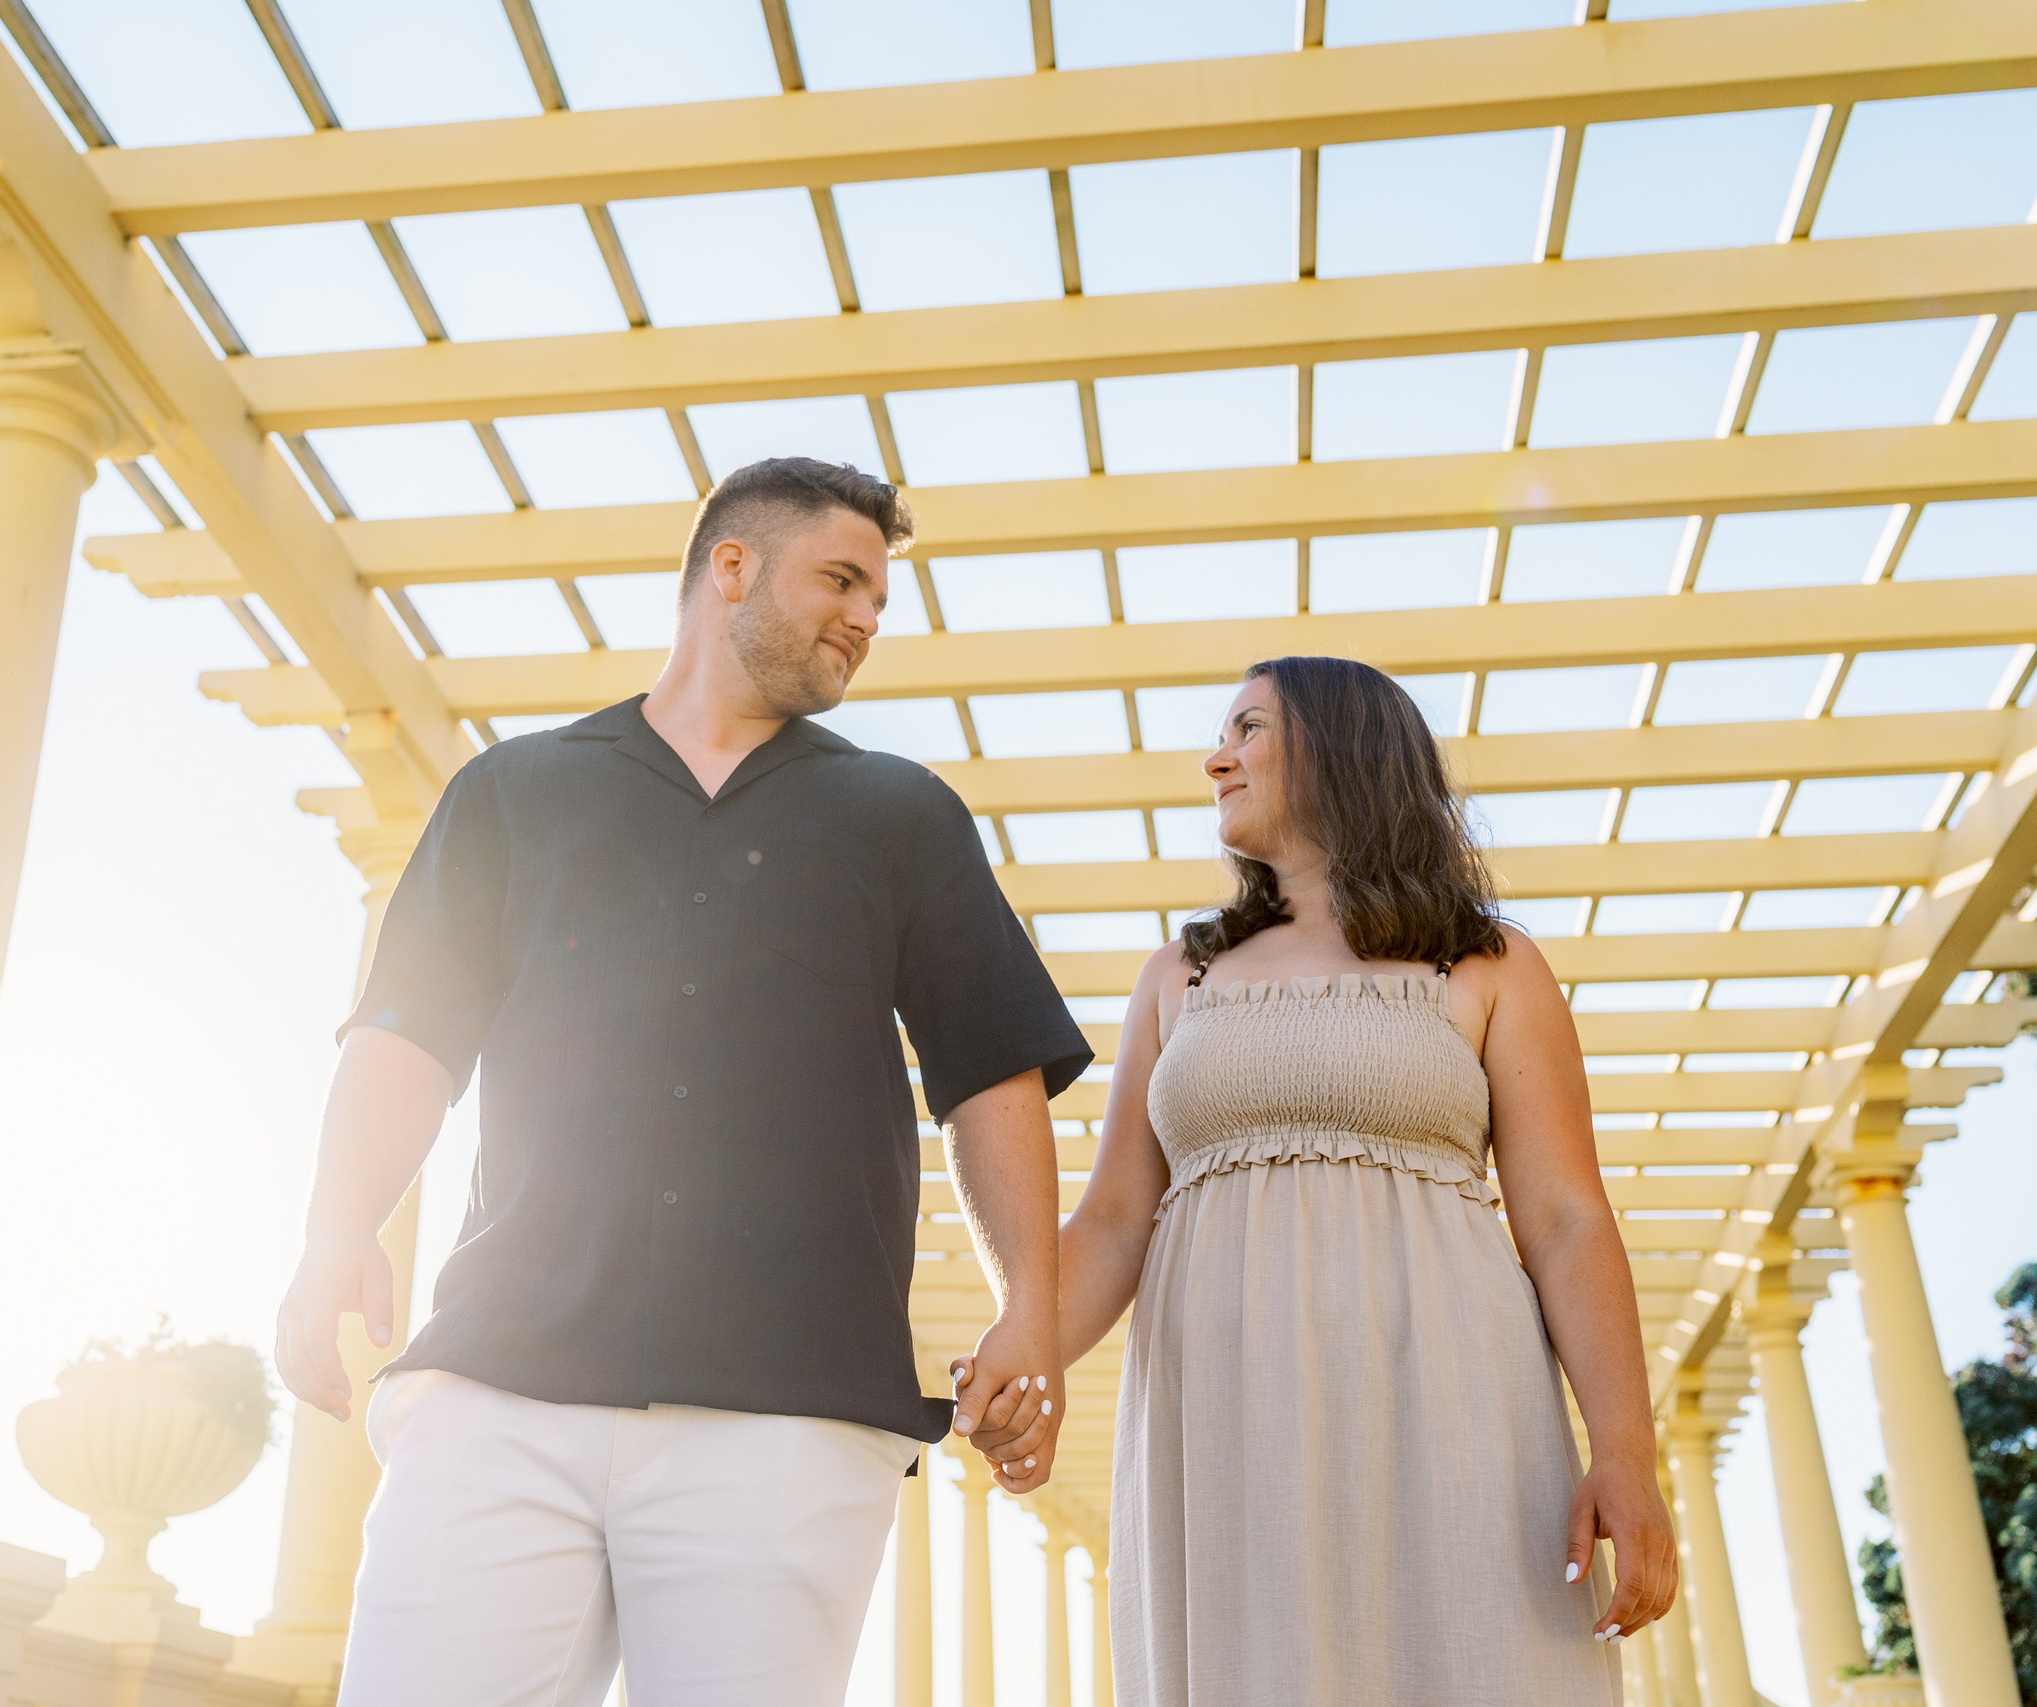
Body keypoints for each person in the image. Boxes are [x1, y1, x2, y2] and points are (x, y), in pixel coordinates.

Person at [274, 457, 1092, 1707]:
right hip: (502, 1386)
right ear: (729, 569)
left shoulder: (900, 813)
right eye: (841, 579)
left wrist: (1027, 1304)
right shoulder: (511, 793)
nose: (868, 618)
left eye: (880, 595)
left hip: (791, 1414)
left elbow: (990, 1070)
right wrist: (335, 1227)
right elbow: (406, 1038)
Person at [1044, 655, 1675, 1706]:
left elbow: (1565, 1221)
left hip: (1452, 1406)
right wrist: (1014, 1351)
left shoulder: (1486, 964)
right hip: (1222, 1429)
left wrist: (1625, 1454)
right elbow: (1113, 1219)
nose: (1214, 758)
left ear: (1341, 749)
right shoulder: (1177, 977)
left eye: (1246, 728)